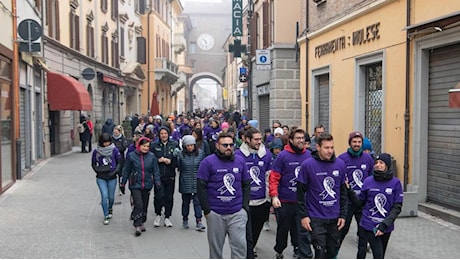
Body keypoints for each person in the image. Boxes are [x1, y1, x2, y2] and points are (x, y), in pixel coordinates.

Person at [197, 132, 251, 259]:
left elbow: (246, 185)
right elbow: (201, 187)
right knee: (215, 251)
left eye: (231, 145)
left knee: (240, 247)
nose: (228, 147)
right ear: (217, 146)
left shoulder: (240, 161)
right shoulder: (207, 162)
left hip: (237, 212)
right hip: (215, 214)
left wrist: (244, 208)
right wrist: (207, 210)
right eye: (225, 145)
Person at [296, 133, 348, 259]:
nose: (330, 151)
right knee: (320, 251)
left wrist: (343, 214)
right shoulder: (308, 165)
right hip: (316, 217)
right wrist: (304, 216)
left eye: (332, 147)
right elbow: (300, 193)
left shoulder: (340, 165)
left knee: (332, 252)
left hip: (334, 216)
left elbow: (343, 193)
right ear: (318, 147)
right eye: (326, 148)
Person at [347, 153, 403, 259]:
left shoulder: (396, 183)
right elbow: (360, 203)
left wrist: (384, 225)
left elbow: (397, 207)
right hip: (369, 225)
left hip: (386, 226)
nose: (378, 165)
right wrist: (349, 190)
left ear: (387, 165)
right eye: (376, 163)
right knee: (378, 255)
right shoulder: (368, 181)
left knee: (381, 255)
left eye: (381, 163)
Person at [269, 128, 313, 259]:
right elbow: (274, 177)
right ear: (291, 140)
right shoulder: (283, 156)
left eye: (302, 138)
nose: (301, 140)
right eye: (298, 138)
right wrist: (274, 196)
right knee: (283, 228)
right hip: (285, 200)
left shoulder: (309, 155)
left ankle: (298, 248)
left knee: (301, 228)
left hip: (302, 202)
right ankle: (279, 249)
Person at [235, 127, 273, 258]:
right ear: (246, 140)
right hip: (245, 202)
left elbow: (270, 177)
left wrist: (271, 197)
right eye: (256, 139)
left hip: (262, 201)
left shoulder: (267, 154)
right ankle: (248, 253)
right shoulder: (238, 155)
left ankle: (251, 247)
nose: (259, 142)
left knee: (256, 230)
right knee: (247, 232)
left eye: (260, 139)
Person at [337, 131, 375, 258]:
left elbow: (371, 178)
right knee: (341, 231)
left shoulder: (368, 159)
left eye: (359, 142)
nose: (357, 144)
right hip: (347, 202)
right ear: (350, 143)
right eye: (354, 142)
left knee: (363, 235)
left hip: (363, 203)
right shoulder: (342, 159)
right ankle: (333, 254)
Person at [120, 137, 161, 236]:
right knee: (138, 204)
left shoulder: (151, 156)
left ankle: (142, 221)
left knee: (145, 204)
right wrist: (123, 183)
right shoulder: (131, 156)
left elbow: (155, 170)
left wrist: (157, 181)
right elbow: (127, 170)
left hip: (147, 184)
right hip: (135, 184)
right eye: (144, 146)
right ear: (139, 145)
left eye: (147, 146)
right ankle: (137, 224)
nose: (146, 148)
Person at [177, 135, 207, 231]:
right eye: (188, 145)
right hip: (185, 181)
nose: (190, 147)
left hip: (197, 181)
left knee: (197, 202)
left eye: (192, 145)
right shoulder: (181, 155)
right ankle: (185, 219)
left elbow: (203, 167)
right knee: (185, 202)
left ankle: (199, 221)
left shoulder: (201, 154)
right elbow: (179, 167)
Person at [151, 126, 179, 227]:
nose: (163, 135)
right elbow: (150, 158)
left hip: (170, 175)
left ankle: (167, 217)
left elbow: (178, 159)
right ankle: (158, 214)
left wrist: (171, 162)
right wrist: (158, 160)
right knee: (159, 196)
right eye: (162, 133)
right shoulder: (154, 145)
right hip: (158, 175)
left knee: (169, 197)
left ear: (168, 134)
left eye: (165, 133)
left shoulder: (174, 144)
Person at [91, 133, 122, 225]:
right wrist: (97, 170)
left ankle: (110, 208)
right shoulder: (96, 151)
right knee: (104, 196)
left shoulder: (114, 150)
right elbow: (93, 163)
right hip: (101, 177)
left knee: (111, 197)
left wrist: (115, 171)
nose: (106, 144)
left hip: (112, 176)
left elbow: (119, 162)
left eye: (108, 142)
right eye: (104, 143)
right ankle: (105, 215)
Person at [112, 125, 129, 195]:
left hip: (120, 158)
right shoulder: (111, 138)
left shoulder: (123, 138)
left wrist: (116, 149)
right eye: (114, 133)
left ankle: (121, 187)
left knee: (120, 174)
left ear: (119, 132)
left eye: (116, 133)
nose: (115, 134)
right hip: (112, 158)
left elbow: (124, 147)